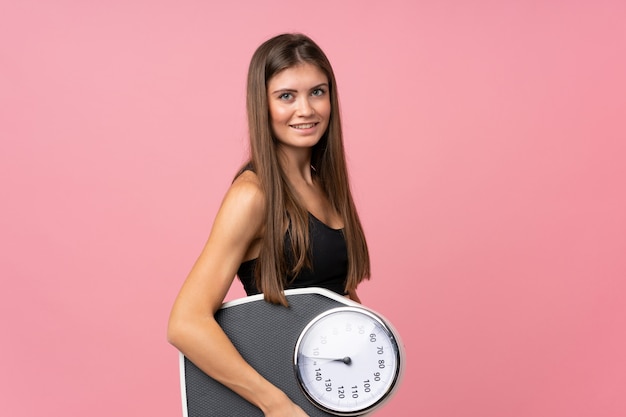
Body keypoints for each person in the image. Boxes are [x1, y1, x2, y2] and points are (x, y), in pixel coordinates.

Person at [167, 33, 371, 417]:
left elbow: (333, 296)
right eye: (286, 96)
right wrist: (275, 404)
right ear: (262, 104)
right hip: (284, 402)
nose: (306, 109)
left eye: (317, 92)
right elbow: (185, 322)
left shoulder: (325, 186)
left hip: (328, 398)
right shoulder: (253, 195)